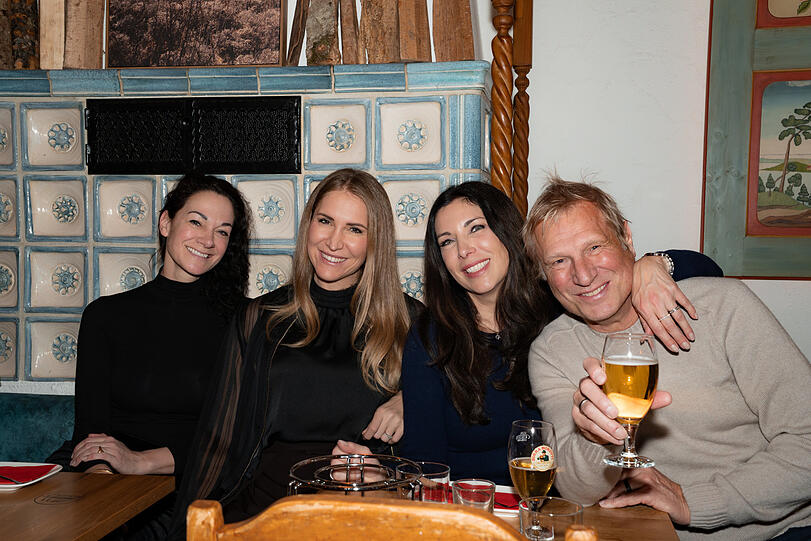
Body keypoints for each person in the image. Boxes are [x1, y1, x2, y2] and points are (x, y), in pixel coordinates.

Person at [524, 177, 811, 540]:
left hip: (775, 533)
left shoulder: (723, 307)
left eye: (595, 247)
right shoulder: (551, 351)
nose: (583, 274)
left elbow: (807, 439)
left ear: (626, 237)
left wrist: (696, 502)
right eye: (559, 261)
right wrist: (594, 436)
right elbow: (576, 492)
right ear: (543, 274)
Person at [399, 182, 722, 485]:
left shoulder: (564, 300)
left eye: (476, 228)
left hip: (568, 504)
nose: (465, 250)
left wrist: (653, 266)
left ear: (506, 231)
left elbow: (708, 269)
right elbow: (424, 465)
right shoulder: (431, 337)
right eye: (447, 241)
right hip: (475, 507)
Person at [172, 169, 421, 528]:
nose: (334, 242)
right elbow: (218, 438)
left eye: (354, 229)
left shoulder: (410, 322)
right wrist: (189, 527)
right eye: (325, 221)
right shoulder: (258, 317)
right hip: (267, 511)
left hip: (365, 514)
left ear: (375, 241)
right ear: (308, 225)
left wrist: (412, 399)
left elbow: (458, 413)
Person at [47, 172, 252, 538]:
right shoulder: (104, 316)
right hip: (108, 473)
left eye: (222, 231)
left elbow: (236, 438)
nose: (208, 240)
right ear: (165, 222)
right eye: (196, 222)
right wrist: (105, 486)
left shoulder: (244, 321)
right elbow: (91, 430)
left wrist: (141, 462)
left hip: (193, 478)